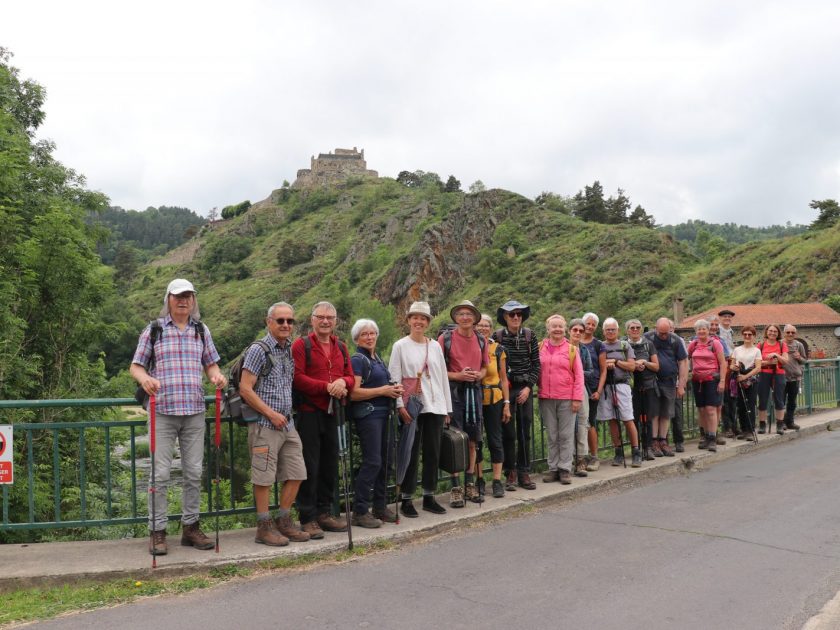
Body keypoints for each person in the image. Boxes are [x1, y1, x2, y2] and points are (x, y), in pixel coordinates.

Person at [130, 278, 227, 556]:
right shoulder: (155, 329)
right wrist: (146, 379)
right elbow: (136, 367)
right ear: (168, 300)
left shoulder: (201, 330)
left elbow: (211, 365)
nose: (183, 300)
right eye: (178, 296)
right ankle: (157, 531)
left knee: (194, 473)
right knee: (159, 474)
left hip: (194, 411)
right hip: (162, 412)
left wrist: (217, 377)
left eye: (188, 296)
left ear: (194, 300)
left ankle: (190, 527)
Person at [239, 301, 310, 545]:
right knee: (263, 476)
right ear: (269, 322)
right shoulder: (259, 349)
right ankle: (263, 526)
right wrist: (270, 414)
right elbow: (245, 389)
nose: (286, 325)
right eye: (280, 320)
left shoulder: (287, 348)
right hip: (264, 424)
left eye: (290, 321)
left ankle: (284, 520)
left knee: (297, 472)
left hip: (287, 423)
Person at [292, 301, 355, 539]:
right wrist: (327, 387)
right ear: (312, 320)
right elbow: (297, 378)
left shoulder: (341, 346)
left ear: (336, 321)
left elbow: (349, 376)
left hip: (335, 412)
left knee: (330, 462)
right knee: (310, 464)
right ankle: (307, 517)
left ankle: (325, 512)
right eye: (321, 317)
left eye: (330, 317)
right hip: (309, 412)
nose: (326, 321)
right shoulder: (301, 345)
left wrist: (343, 383)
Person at [388, 301, 452, 517]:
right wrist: (399, 406)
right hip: (413, 406)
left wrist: (447, 409)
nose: (419, 321)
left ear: (427, 322)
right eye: (415, 317)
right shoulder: (400, 346)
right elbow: (394, 377)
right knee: (411, 451)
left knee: (433, 452)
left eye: (423, 318)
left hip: (435, 406)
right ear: (408, 320)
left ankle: (428, 496)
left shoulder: (434, 346)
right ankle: (406, 498)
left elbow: (442, 377)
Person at [348, 319, 403, 527]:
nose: (369, 337)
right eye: (364, 334)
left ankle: (379, 507)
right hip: (369, 417)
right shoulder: (358, 360)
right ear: (356, 339)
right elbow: (354, 392)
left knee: (386, 462)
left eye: (372, 333)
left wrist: (393, 389)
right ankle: (360, 511)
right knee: (373, 462)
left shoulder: (377, 359)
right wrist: (384, 391)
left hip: (383, 416)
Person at [439, 301, 488, 506]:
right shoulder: (445, 338)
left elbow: (485, 367)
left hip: (474, 393)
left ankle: (470, 484)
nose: (465, 317)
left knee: (473, 440)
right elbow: (438, 370)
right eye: (461, 313)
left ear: (475, 318)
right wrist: (458, 375)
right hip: (453, 393)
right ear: (455, 317)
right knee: (455, 440)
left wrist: (478, 375)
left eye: (469, 314)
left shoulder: (481, 339)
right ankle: (456, 487)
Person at [494, 300, 541, 490]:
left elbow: (536, 364)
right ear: (505, 317)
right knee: (508, 432)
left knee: (524, 432)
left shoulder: (530, 336)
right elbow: (494, 366)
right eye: (511, 314)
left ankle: (524, 471)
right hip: (505, 388)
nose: (515, 317)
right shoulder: (497, 337)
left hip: (525, 388)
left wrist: (529, 387)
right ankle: (510, 471)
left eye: (519, 314)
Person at [537, 315, 584, 484]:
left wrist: (577, 398)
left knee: (565, 435)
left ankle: (565, 468)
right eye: (553, 326)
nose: (557, 329)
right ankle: (553, 468)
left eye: (560, 326)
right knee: (552, 435)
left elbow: (579, 376)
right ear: (548, 329)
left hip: (566, 398)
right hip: (546, 397)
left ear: (564, 329)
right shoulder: (539, 347)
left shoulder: (572, 350)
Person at [596, 318, 642, 467]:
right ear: (603, 331)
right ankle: (618, 452)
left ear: (617, 331)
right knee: (612, 420)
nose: (610, 332)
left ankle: (636, 452)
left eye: (613, 329)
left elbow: (632, 366)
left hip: (622, 385)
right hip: (606, 387)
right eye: (608, 329)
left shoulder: (625, 345)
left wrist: (615, 362)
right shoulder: (600, 346)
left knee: (628, 418)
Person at [476, 314, 511, 498]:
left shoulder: (498, 349)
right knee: (477, 441)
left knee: (495, 440)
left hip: (495, 398)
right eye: (479, 325)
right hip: (474, 398)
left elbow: (504, 379)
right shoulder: (471, 346)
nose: (483, 328)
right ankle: (479, 480)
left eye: (486, 325)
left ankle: (497, 481)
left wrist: (506, 404)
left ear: (491, 328)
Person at [644, 318, 688, 456]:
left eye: (666, 333)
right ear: (655, 329)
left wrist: (681, 385)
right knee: (654, 413)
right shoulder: (648, 338)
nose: (664, 336)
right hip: (653, 381)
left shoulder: (675, 340)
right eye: (661, 333)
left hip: (669, 381)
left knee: (666, 413)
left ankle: (663, 441)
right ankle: (654, 441)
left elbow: (683, 362)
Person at [687, 319, 727, 451]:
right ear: (696, 331)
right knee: (702, 410)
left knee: (711, 409)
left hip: (712, 379)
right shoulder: (693, 344)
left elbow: (722, 363)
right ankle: (704, 436)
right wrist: (689, 372)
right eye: (699, 329)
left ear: (708, 330)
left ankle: (712, 438)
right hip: (697, 380)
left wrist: (722, 381)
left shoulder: (715, 343)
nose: (701, 331)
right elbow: (687, 358)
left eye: (704, 329)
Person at [625, 319, 659, 459]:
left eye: (637, 327)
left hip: (648, 385)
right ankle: (636, 449)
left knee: (648, 419)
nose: (635, 330)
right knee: (633, 419)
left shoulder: (648, 344)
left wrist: (644, 362)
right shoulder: (623, 345)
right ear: (627, 330)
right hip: (631, 387)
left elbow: (656, 366)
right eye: (632, 328)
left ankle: (648, 447)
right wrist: (633, 365)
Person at [568, 318, 594, 477]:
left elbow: (591, 371)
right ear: (569, 331)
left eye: (580, 331)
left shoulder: (584, 350)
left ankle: (581, 460)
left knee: (583, 423)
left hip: (581, 388)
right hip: (564, 389)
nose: (577, 333)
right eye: (575, 330)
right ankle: (568, 460)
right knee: (566, 425)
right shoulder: (562, 347)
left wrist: (577, 374)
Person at [581, 313, 606, 470]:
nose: (590, 327)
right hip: (576, 388)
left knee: (590, 422)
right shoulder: (573, 342)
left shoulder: (598, 345)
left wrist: (599, 390)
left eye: (593, 325)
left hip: (592, 388)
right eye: (588, 324)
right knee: (578, 424)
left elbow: (603, 370)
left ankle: (594, 457)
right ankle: (580, 457)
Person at [730, 325, 761, 441]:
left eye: (750, 334)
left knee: (750, 405)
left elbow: (758, 368)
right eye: (745, 334)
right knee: (741, 405)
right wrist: (735, 368)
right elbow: (731, 364)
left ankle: (750, 430)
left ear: (754, 336)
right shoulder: (737, 349)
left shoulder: (756, 350)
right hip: (739, 379)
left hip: (751, 381)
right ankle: (743, 430)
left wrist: (745, 377)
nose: (747, 336)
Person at [756, 323, 789, 434]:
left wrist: (776, 354)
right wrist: (767, 362)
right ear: (766, 332)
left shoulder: (781, 345)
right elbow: (756, 362)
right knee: (763, 400)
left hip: (778, 373)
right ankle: (762, 425)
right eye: (770, 331)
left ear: (778, 333)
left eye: (775, 331)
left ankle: (779, 424)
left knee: (779, 399)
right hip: (764, 373)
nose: (772, 333)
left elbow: (786, 360)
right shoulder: (760, 345)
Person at [709, 317, 732, 445]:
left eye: (715, 325)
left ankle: (715, 433)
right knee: (704, 409)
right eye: (711, 324)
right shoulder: (696, 340)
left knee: (717, 407)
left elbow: (726, 359)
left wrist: (723, 379)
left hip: (717, 377)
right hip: (702, 378)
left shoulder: (720, 341)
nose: (713, 327)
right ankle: (706, 434)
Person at [717, 309, 738, 439]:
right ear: (720, 318)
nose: (727, 318)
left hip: (731, 365)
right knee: (724, 398)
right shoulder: (718, 331)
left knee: (733, 397)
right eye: (725, 316)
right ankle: (727, 426)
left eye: (729, 317)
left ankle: (733, 425)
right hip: (723, 365)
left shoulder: (731, 331)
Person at [781, 325, 806, 432]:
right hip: (781, 377)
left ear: (795, 334)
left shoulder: (799, 345)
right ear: (784, 333)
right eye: (788, 332)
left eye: (792, 332)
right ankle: (780, 423)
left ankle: (789, 422)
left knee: (792, 402)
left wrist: (799, 357)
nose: (790, 334)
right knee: (780, 401)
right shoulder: (780, 344)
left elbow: (804, 360)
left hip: (794, 378)